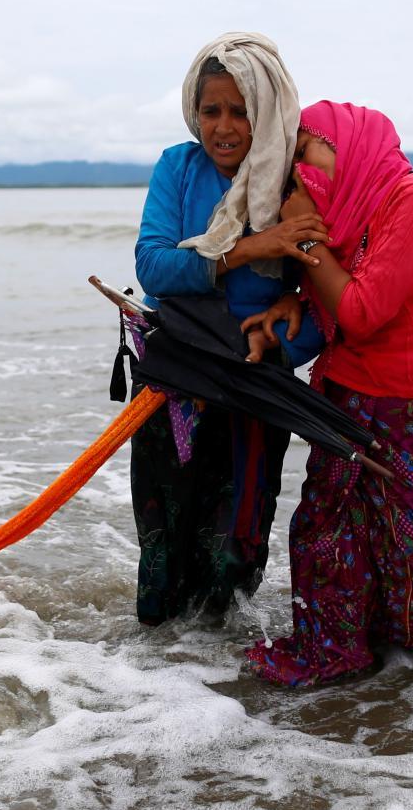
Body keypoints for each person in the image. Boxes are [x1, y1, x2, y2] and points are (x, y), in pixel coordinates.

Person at [242, 101, 413, 686]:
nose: (299, 173)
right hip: (347, 400)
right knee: (328, 535)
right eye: (292, 163)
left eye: (306, 151)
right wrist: (295, 296)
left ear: (348, 145)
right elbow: (332, 295)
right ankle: (335, 653)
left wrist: (305, 244)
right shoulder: (345, 221)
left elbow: (365, 309)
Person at [129, 33, 327, 625]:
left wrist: (281, 337)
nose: (224, 126)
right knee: (164, 533)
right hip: (175, 380)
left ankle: (220, 690)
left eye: (241, 110)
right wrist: (245, 250)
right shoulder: (178, 167)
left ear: (266, 112)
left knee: (234, 544)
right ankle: (143, 685)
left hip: (253, 387)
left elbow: (321, 302)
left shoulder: (294, 187)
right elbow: (152, 264)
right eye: (211, 110)